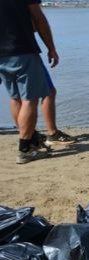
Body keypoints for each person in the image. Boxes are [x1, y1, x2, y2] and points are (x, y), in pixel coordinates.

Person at [0, 0, 58, 164]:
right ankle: (25, 148)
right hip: (22, 50)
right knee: (30, 99)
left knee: (15, 97)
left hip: (2, 55)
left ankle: (30, 137)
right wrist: (51, 48)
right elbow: (39, 19)